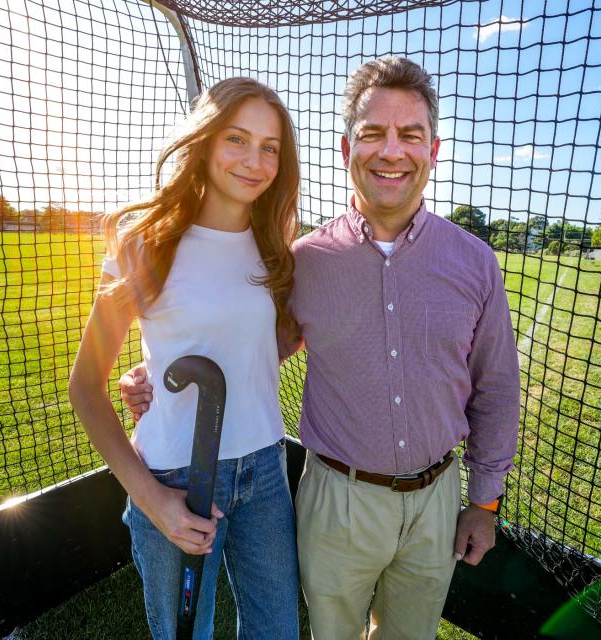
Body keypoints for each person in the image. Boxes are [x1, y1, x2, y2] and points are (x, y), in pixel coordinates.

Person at [122, 57, 520, 639]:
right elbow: (252, 347)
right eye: (373, 134)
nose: (392, 151)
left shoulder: (474, 262)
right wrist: (157, 373)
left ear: (433, 150)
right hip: (338, 499)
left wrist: (483, 505)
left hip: (437, 498)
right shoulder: (303, 262)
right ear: (346, 149)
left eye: (411, 135)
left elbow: (497, 390)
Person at [68, 77, 301, 640]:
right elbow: (85, 387)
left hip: (266, 471)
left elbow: (278, 339)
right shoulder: (143, 241)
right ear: (205, 139)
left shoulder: (276, 242)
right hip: (176, 475)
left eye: (270, 147)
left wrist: (186, 363)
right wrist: (153, 502)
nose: (255, 161)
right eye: (237, 139)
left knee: (278, 631)